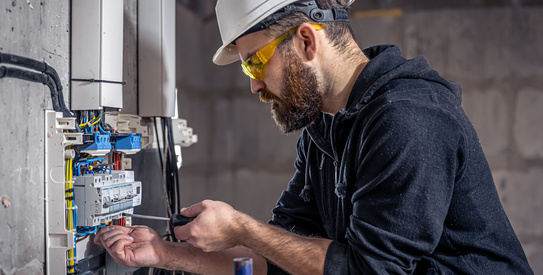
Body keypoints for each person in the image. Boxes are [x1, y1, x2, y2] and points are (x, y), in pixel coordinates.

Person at [95, 0, 534, 274]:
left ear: (306, 40)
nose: (253, 86)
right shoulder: (325, 131)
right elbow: (285, 258)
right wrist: (165, 255)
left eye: (254, 63)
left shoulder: (408, 120)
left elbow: (368, 272)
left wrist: (243, 229)